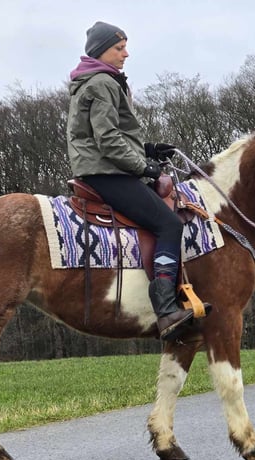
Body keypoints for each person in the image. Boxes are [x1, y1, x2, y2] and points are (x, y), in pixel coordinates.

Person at [66, 21, 198, 340]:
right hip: (105, 173)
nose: (127, 53)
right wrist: (145, 168)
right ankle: (166, 309)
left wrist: (148, 149)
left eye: (125, 46)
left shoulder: (99, 81)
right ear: (101, 51)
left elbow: (111, 133)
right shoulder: (102, 83)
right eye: (119, 48)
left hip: (102, 167)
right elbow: (108, 140)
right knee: (169, 225)